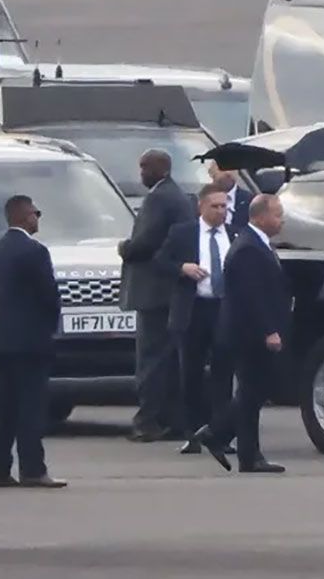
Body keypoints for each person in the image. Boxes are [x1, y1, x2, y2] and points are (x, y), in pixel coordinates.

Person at [191, 194, 291, 474]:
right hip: (248, 334)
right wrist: (269, 330)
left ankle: (247, 454)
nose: (281, 220)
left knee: (253, 392)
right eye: (277, 214)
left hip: (251, 332)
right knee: (253, 391)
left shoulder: (257, 243)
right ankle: (216, 434)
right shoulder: (248, 247)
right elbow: (251, 296)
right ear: (259, 217)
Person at [0, 195, 66, 488]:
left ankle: (0, 470)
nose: (37, 219)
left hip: (1, 340)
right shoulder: (35, 251)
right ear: (22, 216)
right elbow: (48, 295)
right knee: (30, 407)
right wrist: (50, 326)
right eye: (35, 213)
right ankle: (32, 469)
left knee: (2, 407)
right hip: (30, 342)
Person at [119, 149, 196, 442]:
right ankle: (173, 419)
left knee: (150, 359)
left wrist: (125, 248)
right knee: (168, 358)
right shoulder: (177, 196)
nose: (140, 173)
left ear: (160, 169)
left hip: (154, 292)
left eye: (144, 167)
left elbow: (146, 242)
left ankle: (147, 420)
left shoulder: (159, 198)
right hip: (170, 292)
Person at [156, 185, 237, 455]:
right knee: (190, 373)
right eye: (215, 206)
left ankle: (220, 433)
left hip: (224, 309)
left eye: (224, 206)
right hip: (194, 310)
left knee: (223, 373)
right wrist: (182, 268)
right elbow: (159, 262)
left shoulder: (235, 235)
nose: (221, 211)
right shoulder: (184, 233)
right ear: (201, 207)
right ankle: (193, 433)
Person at [208, 159, 254, 228]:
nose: (228, 172)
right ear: (211, 172)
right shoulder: (198, 202)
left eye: (232, 168)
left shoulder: (252, 204)